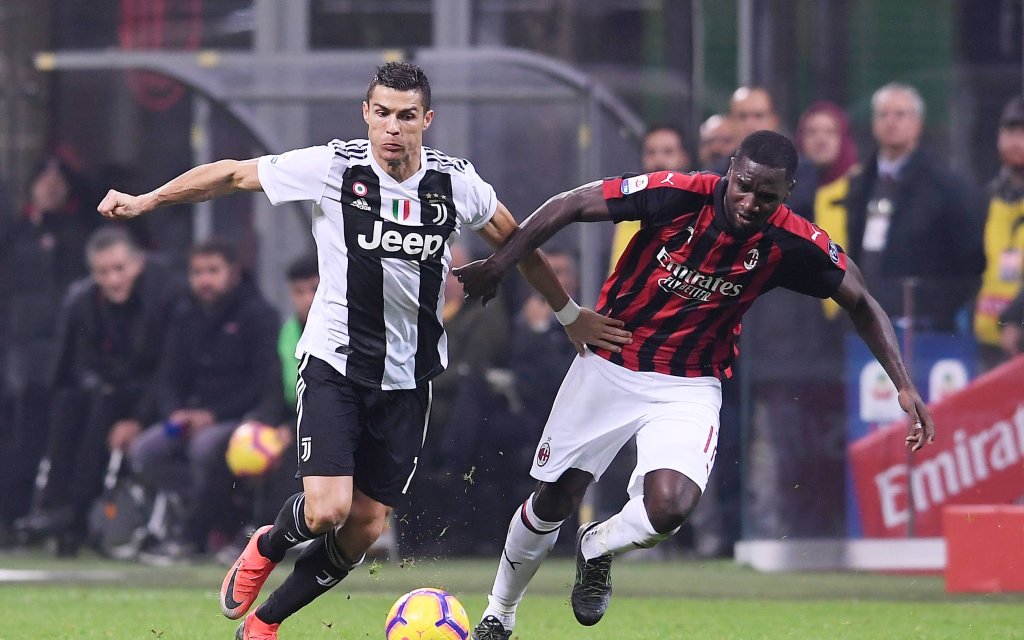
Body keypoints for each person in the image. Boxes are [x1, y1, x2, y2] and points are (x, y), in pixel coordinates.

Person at [98, 62, 629, 640]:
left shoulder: (456, 184)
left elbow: (520, 242)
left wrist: (570, 315)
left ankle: (264, 625)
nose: (393, 129)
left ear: (426, 120)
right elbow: (230, 175)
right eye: (382, 114)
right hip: (336, 361)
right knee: (327, 509)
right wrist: (147, 201)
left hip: (409, 378)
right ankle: (268, 544)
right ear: (366, 115)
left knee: (363, 528)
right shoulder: (333, 168)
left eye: (406, 117)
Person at [454, 130, 936, 639]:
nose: (750, 203)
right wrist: (500, 264)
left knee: (670, 509)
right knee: (554, 499)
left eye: (767, 196)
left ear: (787, 193)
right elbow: (572, 203)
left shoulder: (792, 242)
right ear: (731, 169)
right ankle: (499, 613)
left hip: (689, 384)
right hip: (612, 361)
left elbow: (861, 300)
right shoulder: (676, 193)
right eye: (744, 186)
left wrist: (903, 386)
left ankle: (597, 545)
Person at [14, 227, 180, 555]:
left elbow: (169, 370)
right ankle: (54, 507)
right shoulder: (84, 302)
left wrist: (137, 419)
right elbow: (75, 364)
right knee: (67, 402)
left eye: (119, 269)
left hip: (152, 396)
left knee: (102, 406)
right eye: (103, 272)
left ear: (137, 264)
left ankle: (77, 511)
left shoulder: (166, 297)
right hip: (106, 391)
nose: (113, 280)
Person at [128, 239, 282, 562]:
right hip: (189, 419)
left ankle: (197, 531)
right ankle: (215, 509)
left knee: (205, 449)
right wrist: (175, 413)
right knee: (144, 451)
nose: (205, 280)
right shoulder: (184, 315)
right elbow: (168, 376)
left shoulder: (259, 315)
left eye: (213, 271)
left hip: (238, 421)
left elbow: (263, 383)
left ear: (233, 273)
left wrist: (212, 415)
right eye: (197, 272)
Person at [845, 82, 984, 332]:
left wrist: (943, 305)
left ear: (918, 124)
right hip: (869, 316)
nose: (891, 121)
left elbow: (969, 257)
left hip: (925, 321)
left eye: (900, 114)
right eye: (883, 114)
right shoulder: (861, 183)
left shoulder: (944, 185)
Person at [974, 96, 1024, 370]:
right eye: (1009, 131)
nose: (1015, 140)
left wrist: (1016, 318)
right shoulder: (989, 196)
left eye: (1023, 132)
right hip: (988, 341)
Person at [610, 125, 692, 268]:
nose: (658, 161)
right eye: (651, 153)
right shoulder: (629, 212)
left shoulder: (700, 209)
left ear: (685, 158)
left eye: (668, 152)